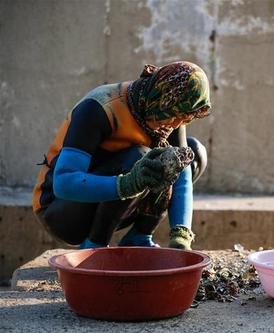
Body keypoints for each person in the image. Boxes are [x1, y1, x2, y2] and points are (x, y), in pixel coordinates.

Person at [32, 61, 211, 250]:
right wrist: (127, 184)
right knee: (140, 157)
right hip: (63, 212)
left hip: (116, 205)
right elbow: (63, 183)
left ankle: (139, 236)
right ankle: (95, 246)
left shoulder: (170, 111)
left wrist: (181, 234)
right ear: (161, 97)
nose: (175, 123)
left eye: (184, 118)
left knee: (192, 153)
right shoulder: (99, 109)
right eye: (174, 115)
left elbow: (181, 175)